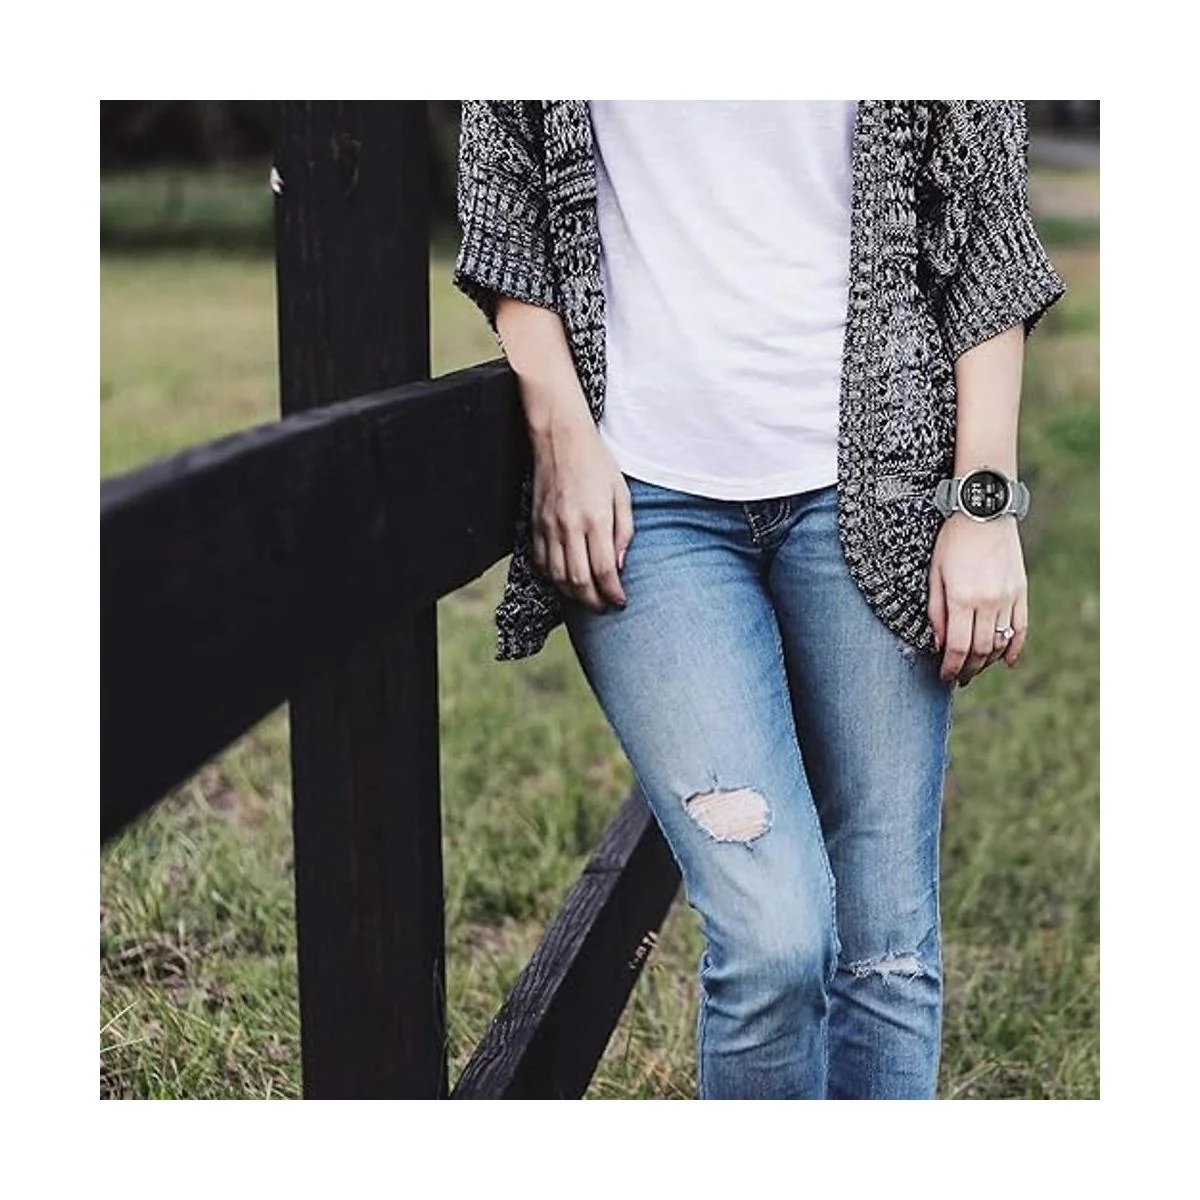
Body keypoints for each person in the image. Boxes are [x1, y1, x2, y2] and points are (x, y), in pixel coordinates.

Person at [452, 100, 1065, 1100]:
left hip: (879, 485)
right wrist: (560, 434)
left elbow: (985, 229)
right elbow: (505, 201)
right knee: (774, 938)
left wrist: (983, 503)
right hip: (644, 501)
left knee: (885, 947)